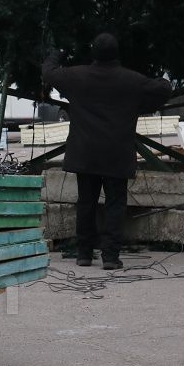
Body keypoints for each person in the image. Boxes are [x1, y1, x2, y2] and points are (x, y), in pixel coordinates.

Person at [42, 33, 172, 270]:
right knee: (115, 204)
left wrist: (59, 52)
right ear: (117, 53)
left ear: (93, 53)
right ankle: (111, 256)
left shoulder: (76, 76)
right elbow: (163, 89)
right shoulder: (132, 80)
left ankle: (84, 253)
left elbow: (49, 72)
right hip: (117, 152)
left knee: (86, 202)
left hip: (85, 152)